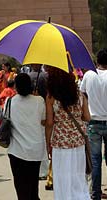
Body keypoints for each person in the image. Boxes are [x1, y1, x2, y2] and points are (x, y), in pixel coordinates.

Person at [45, 67, 90, 200]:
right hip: (78, 141)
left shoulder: (51, 97)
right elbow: (87, 117)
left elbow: (49, 123)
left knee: (62, 178)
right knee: (78, 177)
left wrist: (48, 143)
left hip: (60, 142)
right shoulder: (80, 94)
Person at [7, 73, 47, 200]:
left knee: (21, 187)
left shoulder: (10, 102)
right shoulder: (40, 101)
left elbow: (6, 119)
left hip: (16, 151)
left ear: (16, 86)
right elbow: (44, 120)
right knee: (33, 185)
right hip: (36, 150)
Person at [80, 48, 107, 200]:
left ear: (97, 61)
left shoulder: (89, 75)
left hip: (93, 121)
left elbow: (82, 94)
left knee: (95, 160)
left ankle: (95, 193)